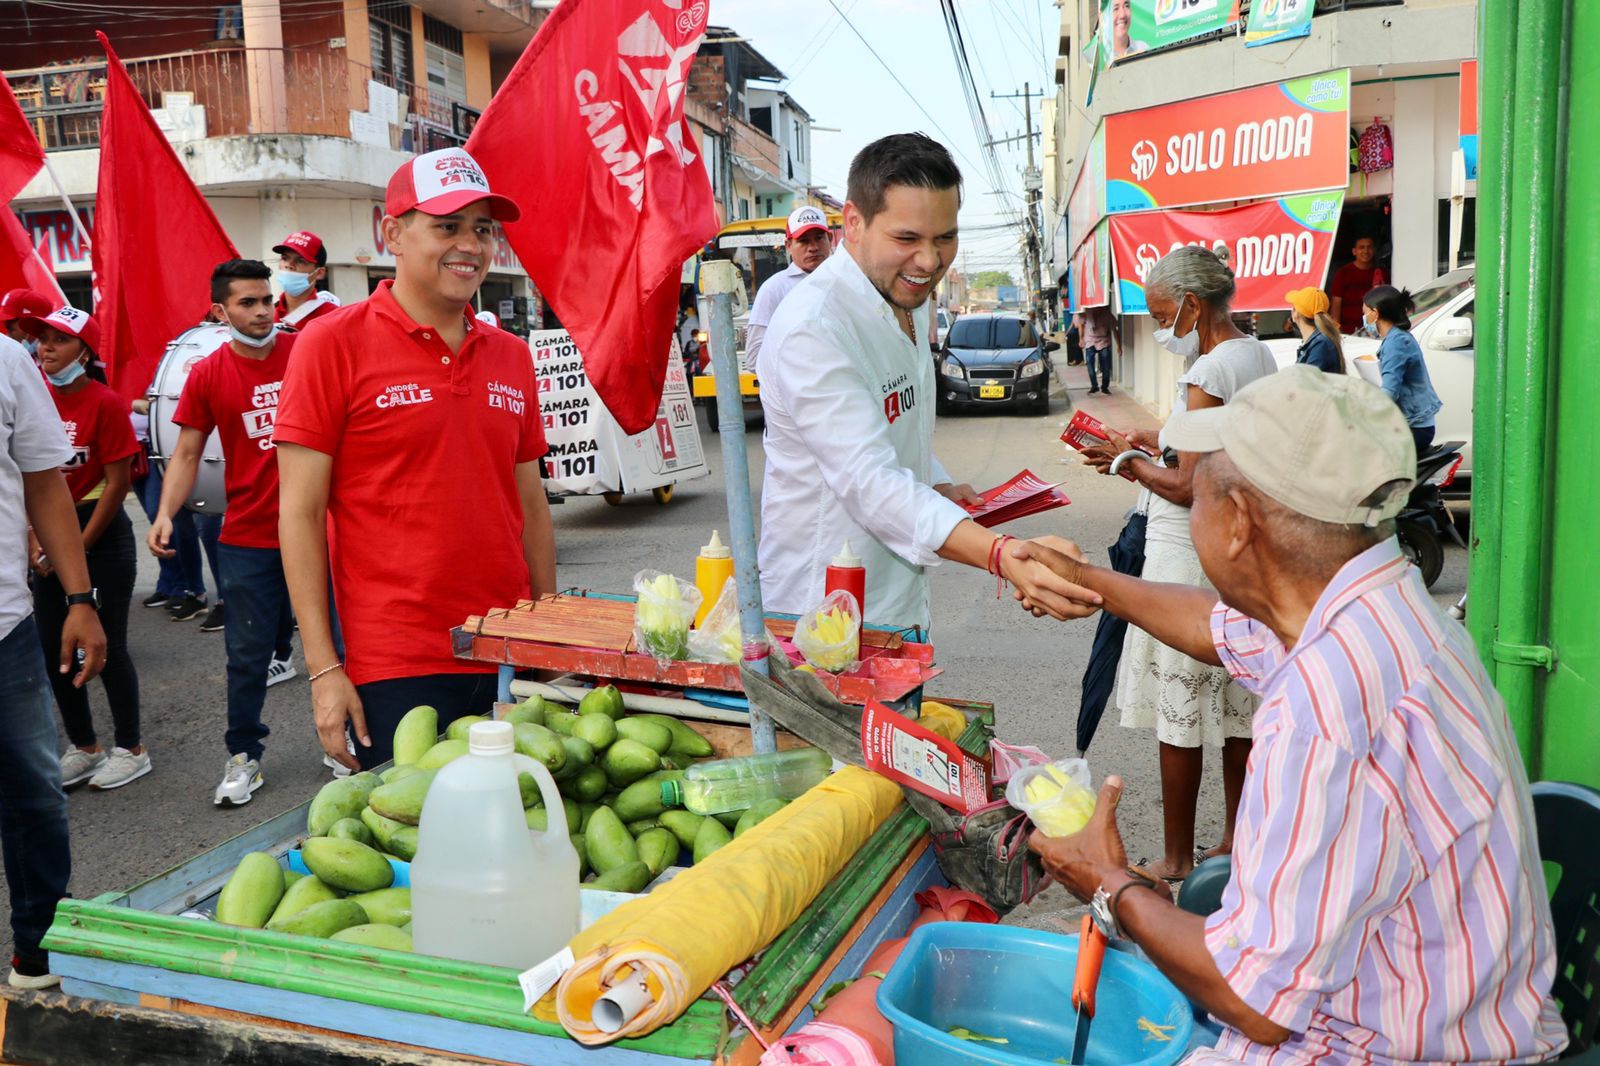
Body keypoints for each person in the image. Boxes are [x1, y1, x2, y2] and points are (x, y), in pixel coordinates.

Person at [1016, 366, 1568, 1064]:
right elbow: (1215, 628)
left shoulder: (1327, 708)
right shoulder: (1373, 608)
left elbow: (1256, 1002)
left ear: (1239, 522)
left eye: (1200, 495)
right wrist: (1090, 581)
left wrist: (1108, 882)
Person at [275, 147, 556, 771]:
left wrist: (548, 633)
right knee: (422, 849)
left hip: (509, 650)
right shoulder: (330, 344)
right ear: (393, 234)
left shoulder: (511, 355)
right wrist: (324, 669)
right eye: (448, 225)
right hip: (399, 663)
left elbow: (530, 505)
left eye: (483, 229)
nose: (470, 245)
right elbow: (298, 514)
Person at [757, 133, 1095, 632]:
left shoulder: (905, 299)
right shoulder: (816, 326)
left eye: (945, 238)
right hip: (819, 616)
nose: (930, 262)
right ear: (852, 222)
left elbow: (892, 424)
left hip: (896, 605)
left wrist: (936, 482)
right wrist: (1004, 555)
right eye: (907, 239)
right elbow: (867, 479)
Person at [1080, 246, 1274, 882]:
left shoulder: (1210, 369)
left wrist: (1123, 462)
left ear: (1193, 304)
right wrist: (1149, 442)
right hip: (1233, 550)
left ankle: (1176, 855)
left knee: (1180, 709)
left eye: (1164, 314)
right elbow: (1207, 449)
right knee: (1238, 700)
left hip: (1184, 550)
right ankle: (1235, 839)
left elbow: (1188, 483)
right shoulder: (1255, 353)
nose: (1162, 327)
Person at [148, 260, 302, 805]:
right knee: (246, 653)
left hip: (319, 530)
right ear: (221, 311)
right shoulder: (209, 372)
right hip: (249, 534)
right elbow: (187, 450)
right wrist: (168, 512)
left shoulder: (304, 351)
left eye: (267, 301)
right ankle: (244, 756)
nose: (263, 311)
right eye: (248, 303)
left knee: (348, 641)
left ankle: (354, 740)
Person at [1, 323, 107, 990]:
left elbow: (46, 485)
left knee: (35, 798)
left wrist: (80, 597)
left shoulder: (8, 360)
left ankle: (38, 951)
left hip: (5, 629)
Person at [20, 306, 149, 791]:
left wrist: (70, 548)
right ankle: (85, 746)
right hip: (45, 537)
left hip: (100, 532)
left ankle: (132, 749)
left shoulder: (107, 403)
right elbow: (28, 480)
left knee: (108, 646)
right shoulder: (34, 399)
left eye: (58, 340)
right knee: (55, 646)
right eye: (41, 339)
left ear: (86, 351)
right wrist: (38, 540)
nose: (45, 349)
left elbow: (117, 486)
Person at [744, 205, 834, 371]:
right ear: (788, 245)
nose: (813, 247)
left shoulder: (847, 281)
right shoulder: (774, 289)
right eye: (803, 241)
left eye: (819, 238)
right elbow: (754, 359)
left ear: (830, 238)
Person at [1364, 284, 1442, 456]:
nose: (1364, 318)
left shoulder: (1396, 343)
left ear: (1376, 314)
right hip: (1411, 423)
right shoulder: (1396, 337)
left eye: (1366, 312)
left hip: (1414, 427)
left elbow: (1390, 391)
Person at [272, 231, 341, 328]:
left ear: (319, 273)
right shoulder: (267, 313)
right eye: (285, 258)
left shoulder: (332, 315)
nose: (289, 265)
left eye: (300, 261)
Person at [1328, 235, 1385, 334]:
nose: (1366, 251)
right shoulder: (1343, 273)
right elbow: (1336, 304)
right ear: (1354, 251)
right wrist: (1336, 329)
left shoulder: (1381, 273)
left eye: (1369, 247)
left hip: (1374, 331)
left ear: (1374, 250)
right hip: (1347, 332)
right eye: (1361, 247)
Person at [1284, 287, 1344, 374]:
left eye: (1293, 307)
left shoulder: (1321, 343)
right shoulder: (1320, 341)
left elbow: (1307, 382)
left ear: (1296, 313)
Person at [1073, 305, 1116, 394]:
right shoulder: (1086, 311)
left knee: (1105, 366)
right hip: (1090, 340)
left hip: (1103, 341)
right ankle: (1094, 385)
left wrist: (1119, 346)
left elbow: (1114, 330)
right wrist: (1081, 338)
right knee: (1090, 364)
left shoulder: (1106, 314)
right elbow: (1081, 324)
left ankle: (1104, 387)